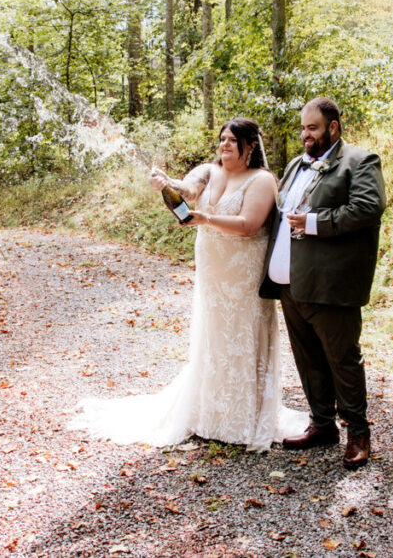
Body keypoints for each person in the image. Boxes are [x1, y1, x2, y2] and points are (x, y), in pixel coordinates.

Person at [69, 118, 308, 451]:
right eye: (222, 139)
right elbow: (187, 189)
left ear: (251, 145)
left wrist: (205, 218)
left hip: (244, 272)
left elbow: (249, 225)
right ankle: (208, 412)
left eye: (232, 140)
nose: (224, 145)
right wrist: (166, 182)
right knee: (213, 335)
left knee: (242, 332)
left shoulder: (262, 180)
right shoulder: (209, 171)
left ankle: (243, 416)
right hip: (212, 268)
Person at [260, 97, 386, 469]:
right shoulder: (297, 165)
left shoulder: (360, 162)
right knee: (309, 359)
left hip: (330, 285)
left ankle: (358, 433)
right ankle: (322, 425)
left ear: (333, 127)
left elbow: (367, 208)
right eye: (303, 128)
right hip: (290, 282)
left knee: (342, 359)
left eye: (312, 128)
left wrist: (314, 222)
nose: (305, 135)